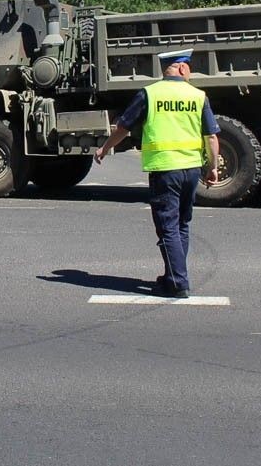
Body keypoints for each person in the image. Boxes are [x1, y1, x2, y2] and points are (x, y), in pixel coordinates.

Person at [94, 49, 220, 298]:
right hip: (192, 169)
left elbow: (123, 127)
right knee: (182, 225)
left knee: (168, 227)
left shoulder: (149, 94)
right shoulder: (198, 96)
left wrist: (105, 148)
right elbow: (212, 137)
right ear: (182, 69)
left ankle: (178, 282)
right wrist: (213, 167)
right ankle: (173, 275)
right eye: (190, 68)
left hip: (164, 169)